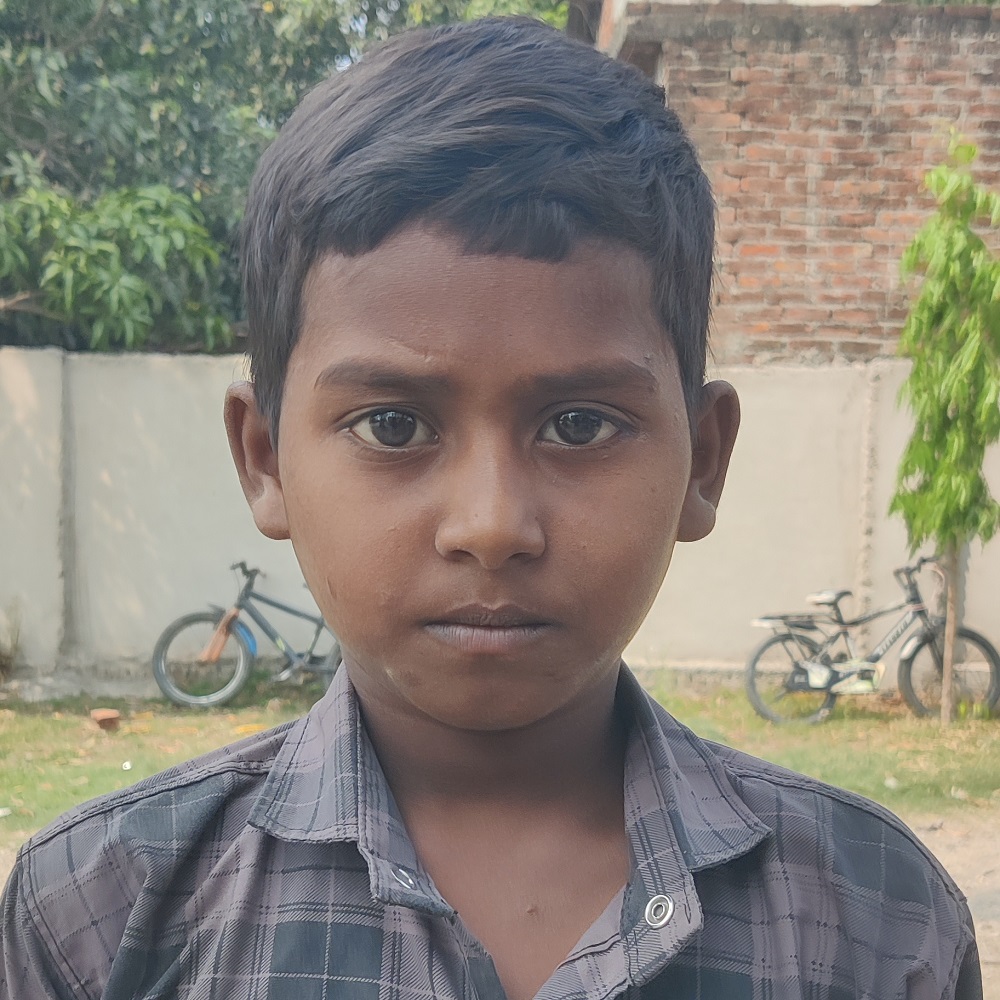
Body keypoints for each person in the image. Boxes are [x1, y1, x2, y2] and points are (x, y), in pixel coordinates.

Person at [0, 17, 981, 1000]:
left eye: (580, 425)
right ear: (265, 459)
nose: (492, 525)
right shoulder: (102, 913)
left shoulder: (876, 919)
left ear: (703, 461)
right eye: (392, 425)